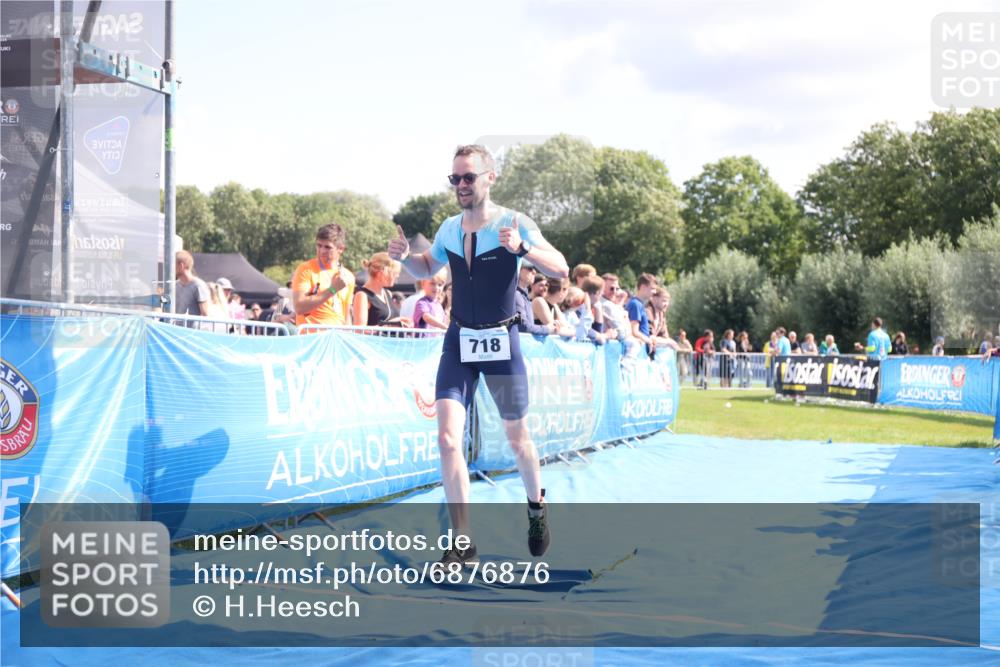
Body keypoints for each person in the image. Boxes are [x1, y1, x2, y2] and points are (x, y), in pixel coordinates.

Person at [387, 144, 569, 564]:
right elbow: (425, 268)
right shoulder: (450, 228)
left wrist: (523, 249)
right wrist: (404, 259)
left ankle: (536, 507)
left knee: (518, 440)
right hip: (459, 342)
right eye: (455, 178)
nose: (461, 186)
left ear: (491, 177)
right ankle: (463, 540)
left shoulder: (514, 223)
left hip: (501, 343)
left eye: (468, 177)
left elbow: (560, 267)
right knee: (448, 438)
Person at [292, 223, 355, 330]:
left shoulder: (348, 276)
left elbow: (346, 314)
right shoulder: (305, 269)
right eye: (319, 245)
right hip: (312, 339)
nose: (322, 251)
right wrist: (333, 289)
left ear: (341, 249)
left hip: (337, 339)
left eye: (327, 247)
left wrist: (348, 336)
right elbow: (299, 307)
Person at [352, 252, 408, 327]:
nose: (397, 276)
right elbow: (359, 329)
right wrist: (389, 325)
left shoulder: (388, 293)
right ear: (381, 273)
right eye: (394, 273)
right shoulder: (362, 295)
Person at [514, 263, 556, 336]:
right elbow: (524, 327)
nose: (534, 272)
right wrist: (547, 329)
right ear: (519, 269)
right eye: (530, 268)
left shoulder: (523, 295)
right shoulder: (516, 294)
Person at [174, 251, 210, 326]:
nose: (171, 267)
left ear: (181, 266)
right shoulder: (175, 285)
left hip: (192, 334)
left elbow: (205, 314)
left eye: (173, 264)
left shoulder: (198, 285)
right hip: (176, 332)